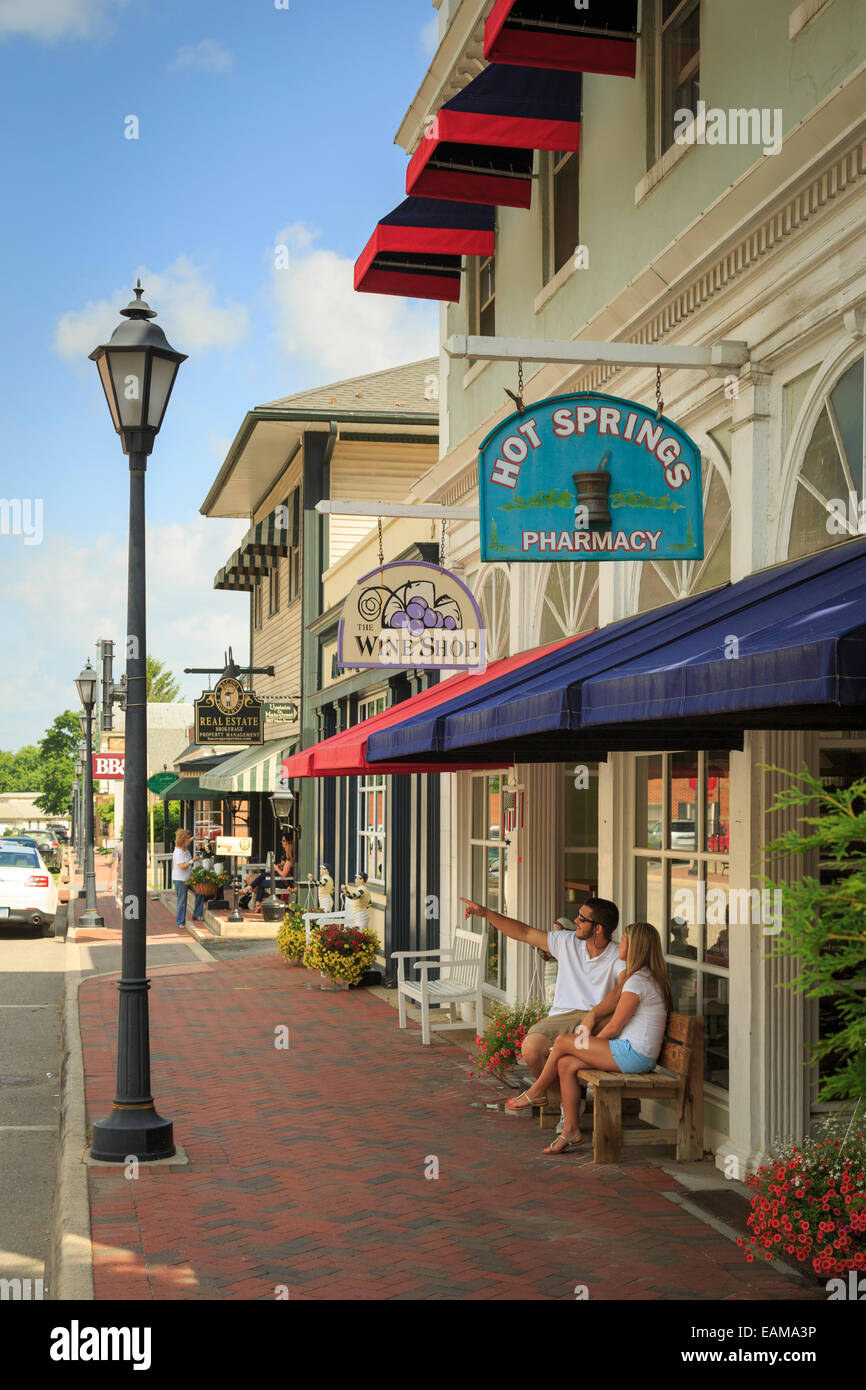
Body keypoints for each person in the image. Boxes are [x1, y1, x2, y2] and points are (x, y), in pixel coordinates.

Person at [508, 921, 672, 1155]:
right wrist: (584, 1047)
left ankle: (536, 1092)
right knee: (565, 1064)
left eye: (624, 940)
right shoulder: (641, 977)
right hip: (629, 1051)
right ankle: (571, 1130)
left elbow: (614, 1026)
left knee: (564, 1042)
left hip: (635, 1055)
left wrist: (582, 1047)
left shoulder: (637, 981)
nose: (620, 944)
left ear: (636, 947)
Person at [460, 894, 622, 1122]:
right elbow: (524, 933)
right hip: (563, 1015)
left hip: (597, 1019)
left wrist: (595, 1015)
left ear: (598, 928)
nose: (575, 921)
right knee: (531, 1049)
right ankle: (570, 1104)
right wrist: (486, 913)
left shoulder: (617, 956)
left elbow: (624, 991)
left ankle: (560, 1105)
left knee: (567, 1055)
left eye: (582, 918)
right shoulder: (567, 942)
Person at [240, 832, 294, 911]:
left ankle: (252, 895)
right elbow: (282, 865)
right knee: (263, 875)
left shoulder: (290, 860)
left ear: (288, 842)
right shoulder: (286, 855)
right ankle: (256, 902)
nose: (281, 842)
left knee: (261, 882)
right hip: (280, 879)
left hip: (284, 882)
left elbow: (283, 875)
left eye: (283, 840)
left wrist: (276, 868)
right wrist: (278, 867)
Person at [172, 829, 203, 927]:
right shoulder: (178, 852)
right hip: (180, 879)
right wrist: (192, 860)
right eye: (187, 839)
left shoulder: (185, 848)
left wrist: (194, 838)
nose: (188, 841)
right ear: (182, 840)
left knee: (200, 891)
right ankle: (180, 922)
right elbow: (182, 866)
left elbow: (189, 840)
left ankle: (197, 914)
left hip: (189, 878)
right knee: (182, 900)